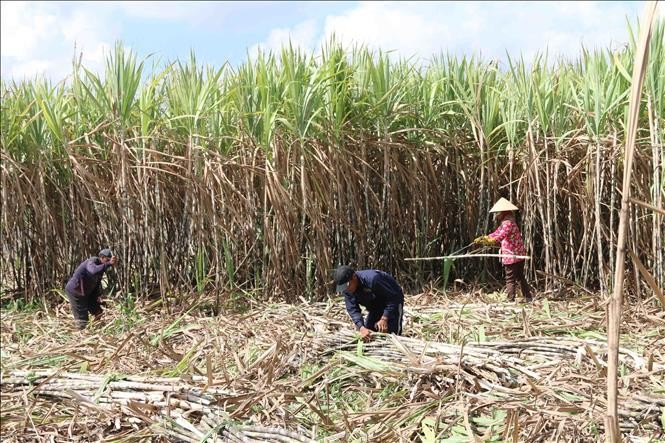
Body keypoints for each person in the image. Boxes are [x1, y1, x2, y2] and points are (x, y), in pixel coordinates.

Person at [474, 198, 533, 302]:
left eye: (498, 213)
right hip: (518, 253)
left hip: (512, 255)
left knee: (510, 278)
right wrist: (485, 238)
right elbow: (497, 233)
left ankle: (510, 299)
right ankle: (528, 297)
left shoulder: (507, 223)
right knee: (520, 276)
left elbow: (500, 236)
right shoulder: (507, 221)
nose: (496, 216)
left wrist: (490, 241)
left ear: (503, 212)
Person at [334, 265, 404, 341]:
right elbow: (353, 309)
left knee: (393, 336)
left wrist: (384, 318)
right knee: (369, 334)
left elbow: (393, 297)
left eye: (347, 285)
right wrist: (361, 327)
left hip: (392, 301)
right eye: (343, 287)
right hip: (374, 306)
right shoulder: (347, 290)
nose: (346, 289)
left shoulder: (373, 279)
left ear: (354, 276)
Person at [64, 248, 117, 329]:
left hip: (86, 293)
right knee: (82, 319)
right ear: (102, 257)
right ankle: (81, 333)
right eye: (107, 259)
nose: (108, 262)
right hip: (76, 291)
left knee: (98, 311)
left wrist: (97, 296)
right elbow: (93, 271)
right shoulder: (92, 261)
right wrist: (109, 263)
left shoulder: (101, 268)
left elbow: (96, 284)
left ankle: (95, 328)